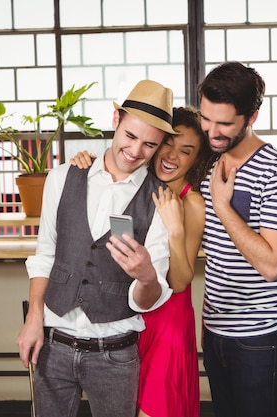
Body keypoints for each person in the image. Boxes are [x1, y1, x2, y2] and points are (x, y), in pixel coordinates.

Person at [16, 79, 178, 417]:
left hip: (115, 355)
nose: (135, 151)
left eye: (150, 145)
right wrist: (34, 319)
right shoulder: (62, 177)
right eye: (131, 136)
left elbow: (148, 298)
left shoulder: (160, 200)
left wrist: (147, 277)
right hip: (53, 343)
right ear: (116, 119)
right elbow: (45, 255)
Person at [70, 106, 217, 417]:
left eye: (186, 151)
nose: (172, 155)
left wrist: (175, 229)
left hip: (166, 327)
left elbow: (179, 282)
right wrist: (86, 161)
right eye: (168, 143)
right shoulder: (134, 183)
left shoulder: (191, 202)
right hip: (126, 320)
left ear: (196, 160)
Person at [197, 61, 277, 417]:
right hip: (215, 328)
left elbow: (273, 265)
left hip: (261, 334)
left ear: (252, 116)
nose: (212, 131)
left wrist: (224, 208)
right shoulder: (209, 163)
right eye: (206, 118)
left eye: (225, 123)